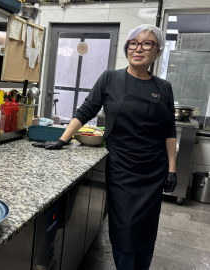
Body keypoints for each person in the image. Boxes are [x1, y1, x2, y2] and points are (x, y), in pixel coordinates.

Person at [34, 24, 177, 270]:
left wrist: (172, 168)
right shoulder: (111, 78)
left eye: (147, 43)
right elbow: (87, 109)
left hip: (154, 170)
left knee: (146, 227)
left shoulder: (163, 88)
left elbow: (169, 130)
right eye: (133, 43)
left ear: (158, 51)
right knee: (124, 227)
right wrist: (63, 138)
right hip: (122, 168)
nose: (138, 48)